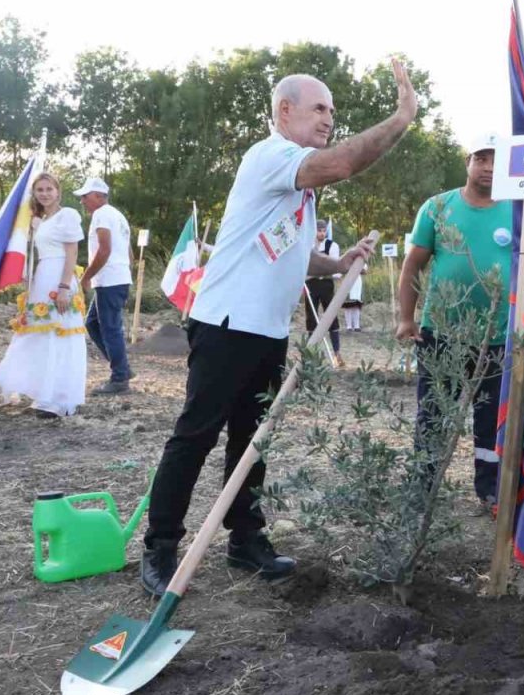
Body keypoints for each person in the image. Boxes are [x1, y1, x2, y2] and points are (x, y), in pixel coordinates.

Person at [139, 63, 416, 597]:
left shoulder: (295, 185)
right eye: (319, 108)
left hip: (267, 331)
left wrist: (337, 265)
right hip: (226, 324)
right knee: (195, 437)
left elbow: (288, 251)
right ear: (285, 111)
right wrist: (400, 119)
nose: (329, 119)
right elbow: (342, 163)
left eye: (332, 111)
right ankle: (161, 548)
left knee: (253, 440)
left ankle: (245, 539)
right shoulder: (271, 157)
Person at [397, 132, 512, 510]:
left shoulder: (520, 211)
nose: (488, 167)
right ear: (468, 162)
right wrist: (406, 318)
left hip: (498, 337)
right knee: (433, 412)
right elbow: (413, 265)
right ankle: (423, 488)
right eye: (481, 158)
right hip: (442, 333)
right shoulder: (437, 208)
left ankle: (490, 491)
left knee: (491, 419)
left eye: (496, 160)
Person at [0, 172, 88, 419]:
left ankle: (59, 399)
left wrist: (64, 287)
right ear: (34, 194)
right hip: (42, 277)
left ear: (58, 191)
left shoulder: (67, 215)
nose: (45, 194)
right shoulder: (39, 220)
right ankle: (43, 393)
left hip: (60, 276)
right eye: (40, 190)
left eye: (49, 189)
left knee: (60, 334)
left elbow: (71, 253)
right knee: (39, 335)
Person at [74, 176, 135, 394]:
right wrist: (125, 273)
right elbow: (129, 253)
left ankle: (119, 379)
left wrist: (86, 277)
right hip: (115, 278)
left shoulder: (102, 214)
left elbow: (104, 249)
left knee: (110, 329)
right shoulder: (118, 215)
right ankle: (122, 368)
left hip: (109, 280)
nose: (82, 201)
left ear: (99, 196)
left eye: (85, 196)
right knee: (92, 323)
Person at [304, 220, 343, 366]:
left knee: (331, 316)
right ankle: (310, 355)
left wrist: (322, 270)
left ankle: (337, 353)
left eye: (323, 230)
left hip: (326, 284)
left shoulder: (332, 246)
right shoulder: (307, 245)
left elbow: (334, 268)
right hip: (311, 285)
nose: (321, 233)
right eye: (319, 230)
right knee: (311, 318)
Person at [342, 267, 364, 332]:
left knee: (356, 304)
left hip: (357, 281)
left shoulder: (360, 260)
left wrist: (357, 268)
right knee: (348, 305)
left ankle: (357, 326)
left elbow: (364, 270)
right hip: (348, 280)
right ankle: (349, 326)